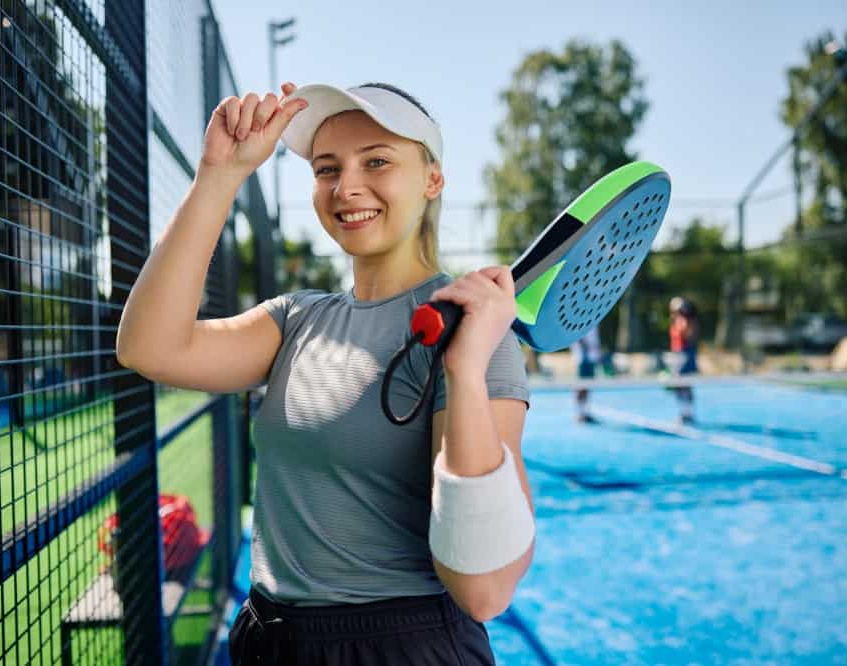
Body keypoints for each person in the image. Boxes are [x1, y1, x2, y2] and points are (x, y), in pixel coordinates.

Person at [115, 81, 533, 665]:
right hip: (270, 636)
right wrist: (220, 174)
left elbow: (483, 589)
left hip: (399, 647)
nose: (347, 186)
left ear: (432, 180)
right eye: (326, 168)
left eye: (378, 161)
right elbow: (149, 348)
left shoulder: (476, 335)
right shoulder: (296, 319)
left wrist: (464, 373)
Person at [668, 296, 699, 424]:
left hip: (684, 354)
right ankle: (685, 412)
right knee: (679, 385)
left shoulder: (686, 321)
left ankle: (687, 413)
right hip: (678, 354)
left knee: (683, 384)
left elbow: (689, 336)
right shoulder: (677, 320)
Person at [570, 326, 601, 423]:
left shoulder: (595, 318)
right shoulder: (581, 319)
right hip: (583, 358)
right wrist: (586, 349)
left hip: (591, 357)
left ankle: (585, 412)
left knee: (588, 386)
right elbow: (577, 336)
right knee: (581, 387)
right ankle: (579, 413)